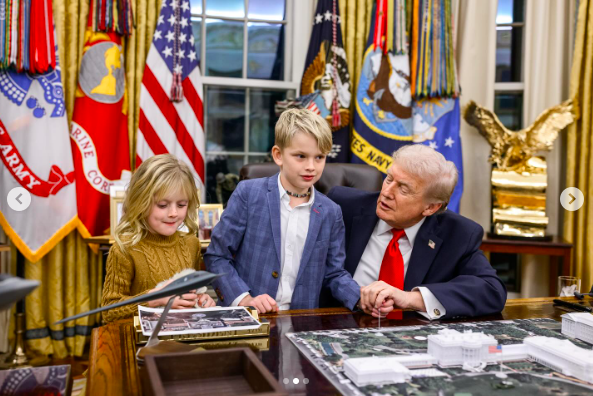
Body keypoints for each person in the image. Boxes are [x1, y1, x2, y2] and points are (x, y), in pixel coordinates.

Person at [204, 108, 361, 314]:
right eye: (301, 156)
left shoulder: (331, 212)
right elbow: (217, 256)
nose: (311, 166)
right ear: (278, 155)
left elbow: (333, 274)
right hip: (249, 318)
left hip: (302, 323)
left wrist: (360, 297)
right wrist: (244, 299)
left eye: (319, 157)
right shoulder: (249, 194)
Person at [328, 144, 507, 319]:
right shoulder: (343, 207)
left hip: (410, 339)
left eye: (403, 189)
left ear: (431, 207)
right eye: (389, 179)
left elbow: (491, 290)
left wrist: (410, 298)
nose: (387, 192)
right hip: (338, 325)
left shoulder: (457, 234)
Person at [101, 154, 215, 323]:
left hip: (182, 340)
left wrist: (201, 299)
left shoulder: (191, 244)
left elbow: (188, 295)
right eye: (162, 205)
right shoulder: (124, 250)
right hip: (142, 345)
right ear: (141, 202)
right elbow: (109, 312)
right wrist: (154, 299)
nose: (174, 213)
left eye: (181, 205)